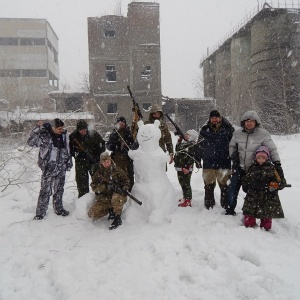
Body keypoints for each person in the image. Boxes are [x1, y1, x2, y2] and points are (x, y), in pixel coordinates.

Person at [225, 110, 286, 216]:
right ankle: (230, 209)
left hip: (255, 168)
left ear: (256, 122)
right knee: (232, 188)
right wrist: (233, 156)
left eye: (251, 121)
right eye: (247, 121)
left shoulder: (263, 134)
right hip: (239, 167)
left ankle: (252, 212)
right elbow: (232, 146)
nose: (249, 123)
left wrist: (277, 164)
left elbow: (272, 150)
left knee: (253, 191)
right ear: (243, 122)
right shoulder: (237, 133)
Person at [27, 118, 73, 220]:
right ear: (53, 128)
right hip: (49, 167)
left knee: (59, 189)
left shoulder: (64, 136)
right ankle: (40, 213)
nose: (61, 130)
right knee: (45, 191)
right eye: (59, 128)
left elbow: (67, 149)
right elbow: (30, 142)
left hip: (61, 166)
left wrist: (68, 162)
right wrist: (38, 128)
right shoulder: (45, 136)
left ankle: (58, 208)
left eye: (62, 128)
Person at [196, 110, 234, 209]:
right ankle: (209, 204)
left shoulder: (228, 129)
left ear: (220, 118)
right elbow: (199, 146)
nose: (214, 120)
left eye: (216, 118)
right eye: (212, 118)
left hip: (224, 162)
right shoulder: (204, 130)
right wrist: (197, 159)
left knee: (225, 186)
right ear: (210, 119)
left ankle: (226, 205)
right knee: (208, 186)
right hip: (208, 162)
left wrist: (235, 158)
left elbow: (234, 145)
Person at [241, 146, 284, 230]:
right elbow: (246, 179)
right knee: (249, 215)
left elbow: (280, 182)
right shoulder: (252, 167)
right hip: (252, 196)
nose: (261, 160)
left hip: (267, 196)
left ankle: (265, 228)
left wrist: (273, 186)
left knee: (266, 218)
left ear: (267, 158)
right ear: (256, 158)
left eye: (263, 158)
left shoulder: (272, 168)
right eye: (259, 157)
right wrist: (247, 185)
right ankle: (249, 226)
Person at [88, 152, 130, 230]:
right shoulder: (98, 173)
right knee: (92, 213)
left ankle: (117, 217)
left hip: (118, 196)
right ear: (101, 162)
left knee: (115, 198)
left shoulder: (117, 170)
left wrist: (124, 188)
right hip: (105, 198)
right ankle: (110, 210)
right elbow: (93, 186)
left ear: (110, 160)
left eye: (108, 161)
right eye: (104, 162)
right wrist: (104, 187)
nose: (107, 164)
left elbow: (127, 181)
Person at [69, 119, 105, 198]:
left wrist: (96, 156)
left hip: (93, 162)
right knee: (81, 183)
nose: (83, 131)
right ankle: (83, 199)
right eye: (81, 130)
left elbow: (102, 146)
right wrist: (78, 154)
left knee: (98, 180)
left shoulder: (94, 134)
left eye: (84, 129)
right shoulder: (73, 136)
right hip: (80, 163)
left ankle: (100, 198)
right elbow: (70, 150)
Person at [106, 116, 134, 191]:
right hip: (116, 159)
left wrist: (127, 146)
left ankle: (129, 190)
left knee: (128, 176)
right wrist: (114, 145)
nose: (121, 124)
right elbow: (108, 145)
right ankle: (118, 190)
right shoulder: (114, 133)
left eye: (123, 122)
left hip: (127, 159)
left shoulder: (129, 132)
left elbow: (134, 145)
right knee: (117, 175)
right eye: (119, 123)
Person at [174, 129, 199, 207]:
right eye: (186, 134)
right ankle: (185, 197)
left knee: (186, 184)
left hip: (186, 168)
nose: (186, 136)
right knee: (182, 182)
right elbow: (177, 150)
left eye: (188, 135)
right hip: (180, 167)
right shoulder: (184, 143)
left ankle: (188, 200)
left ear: (192, 137)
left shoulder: (192, 145)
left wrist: (187, 167)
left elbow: (191, 157)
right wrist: (179, 141)